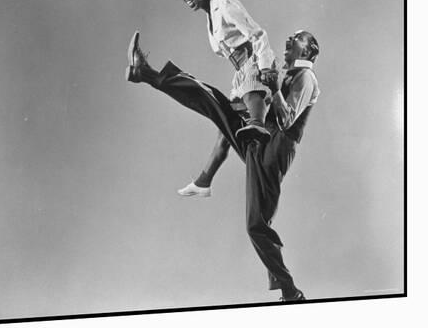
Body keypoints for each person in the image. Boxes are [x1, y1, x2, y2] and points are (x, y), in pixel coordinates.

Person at [125, 29, 320, 301]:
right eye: (290, 37)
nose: (289, 40)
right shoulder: (285, 74)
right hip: (257, 137)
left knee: (256, 224)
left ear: (308, 51)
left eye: (297, 38)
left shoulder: (306, 77)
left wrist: (273, 88)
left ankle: (290, 291)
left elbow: (286, 121)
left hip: (275, 148)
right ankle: (147, 74)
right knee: (213, 101)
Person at [169, 0, 276, 198]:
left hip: (254, 62)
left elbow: (258, 35)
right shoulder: (209, 16)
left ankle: (257, 127)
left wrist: (266, 66)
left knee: (251, 91)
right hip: (239, 72)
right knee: (224, 129)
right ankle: (203, 182)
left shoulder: (225, 5)